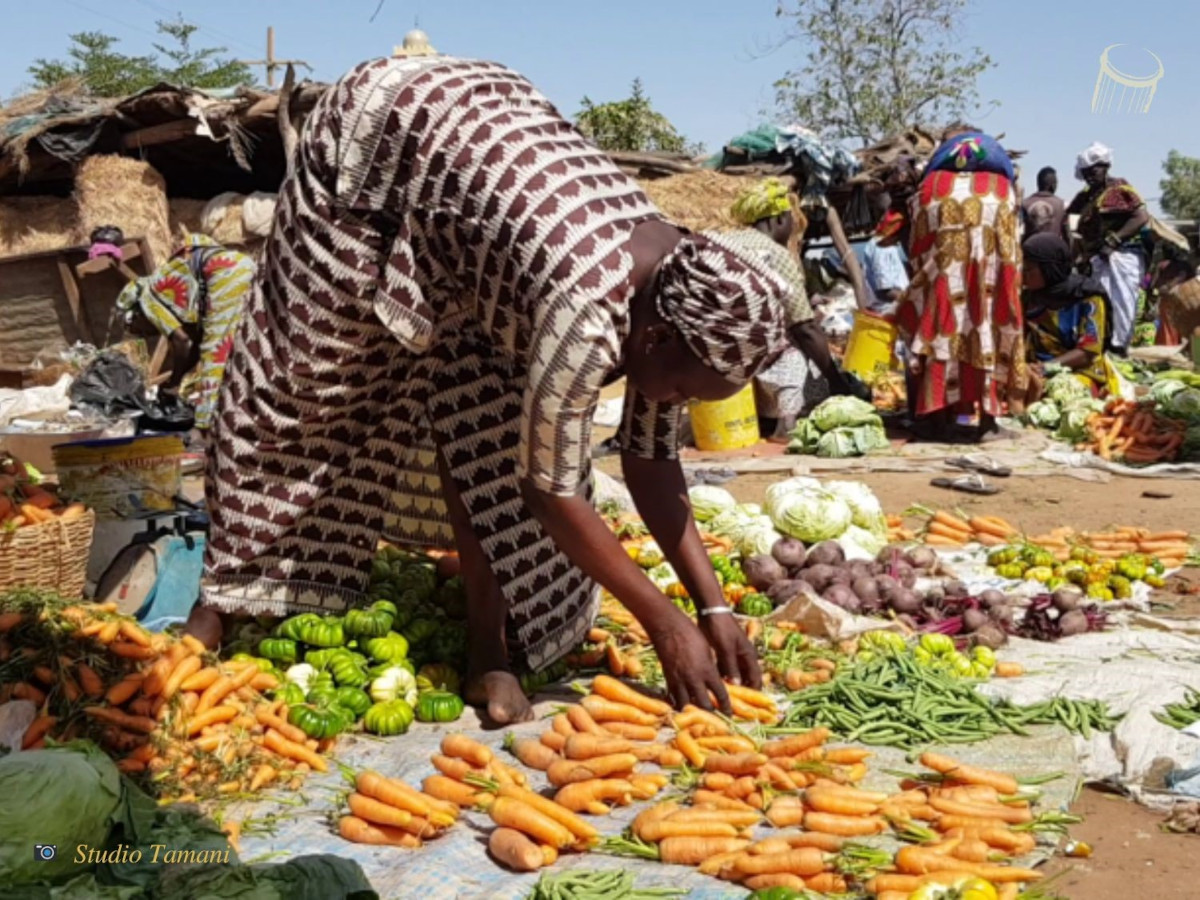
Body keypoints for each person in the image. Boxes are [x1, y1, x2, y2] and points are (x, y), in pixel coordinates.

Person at [191, 55, 794, 724]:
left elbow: (650, 461)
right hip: (379, 144)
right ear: (654, 339)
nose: (678, 402)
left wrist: (710, 607)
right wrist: (663, 622)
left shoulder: (674, 294)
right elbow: (551, 488)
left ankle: (490, 653)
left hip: (482, 209)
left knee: (486, 424)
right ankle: (217, 600)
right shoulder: (587, 305)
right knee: (303, 384)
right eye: (685, 387)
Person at [895, 128, 1026, 443]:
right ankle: (988, 422)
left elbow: (916, 247)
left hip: (942, 275)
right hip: (991, 277)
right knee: (988, 328)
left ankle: (933, 421)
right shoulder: (1003, 188)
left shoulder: (930, 187)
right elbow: (1012, 250)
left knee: (938, 327)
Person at [728, 178, 861, 432]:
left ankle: (765, 417)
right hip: (754, 350)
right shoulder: (775, 254)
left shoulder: (725, 242)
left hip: (719, 347)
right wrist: (835, 379)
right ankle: (786, 422)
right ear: (778, 219)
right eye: (791, 219)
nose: (792, 227)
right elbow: (805, 326)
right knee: (797, 348)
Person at [116, 234, 253, 432]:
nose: (146, 334)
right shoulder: (165, 289)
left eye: (139, 330)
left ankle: (206, 427)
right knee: (243, 344)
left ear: (136, 314)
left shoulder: (148, 299)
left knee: (215, 352)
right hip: (243, 264)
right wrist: (178, 380)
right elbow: (194, 346)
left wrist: (175, 381)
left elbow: (184, 342)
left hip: (225, 273)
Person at [1066, 143, 1150, 353]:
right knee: (1099, 302)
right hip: (1096, 260)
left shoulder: (1119, 189)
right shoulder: (1087, 195)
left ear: (1105, 167)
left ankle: (1120, 347)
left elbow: (1140, 216)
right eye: (1085, 173)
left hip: (1122, 256)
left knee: (1121, 302)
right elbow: (1068, 214)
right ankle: (1101, 346)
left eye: (1093, 170)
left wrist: (1114, 240)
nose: (1089, 176)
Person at [1021, 233, 1111, 394]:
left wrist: (1045, 368)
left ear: (1049, 269)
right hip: (1034, 369)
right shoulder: (1029, 298)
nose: (1022, 276)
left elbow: (1088, 352)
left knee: (1062, 395)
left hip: (1079, 371)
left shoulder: (1088, 298)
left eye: (1028, 269)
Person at [1022, 167, 1066, 237]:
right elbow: (1066, 233)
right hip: (1053, 246)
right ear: (1053, 185)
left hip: (1029, 246)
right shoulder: (1060, 204)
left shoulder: (1025, 203)